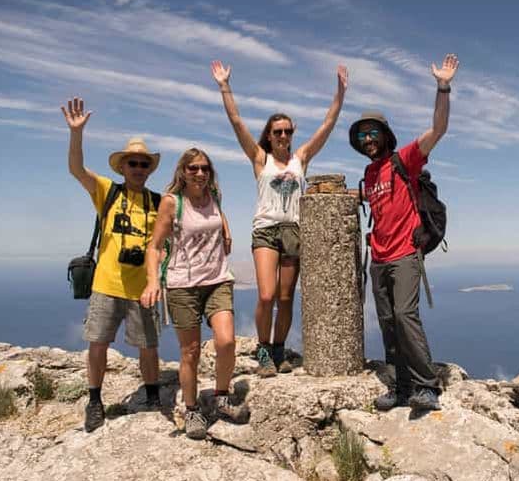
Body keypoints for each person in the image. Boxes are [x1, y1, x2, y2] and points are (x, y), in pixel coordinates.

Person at [211, 59, 348, 376]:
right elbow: (236, 122)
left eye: (287, 130)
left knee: (286, 298)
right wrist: (224, 86)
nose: (283, 135)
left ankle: (278, 349)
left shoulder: (301, 159)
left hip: (295, 231)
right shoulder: (261, 159)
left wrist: (339, 93)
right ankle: (262, 349)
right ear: (269, 136)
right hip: (266, 230)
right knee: (267, 294)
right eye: (277, 131)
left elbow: (327, 125)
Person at [350, 53, 459, 412]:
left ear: (385, 135)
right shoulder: (369, 175)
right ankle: (401, 387)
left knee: (404, 315)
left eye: (373, 133)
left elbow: (438, 130)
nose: (368, 139)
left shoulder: (405, 160)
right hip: (379, 258)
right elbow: (370, 202)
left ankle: (427, 385)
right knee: (387, 322)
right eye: (363, 134)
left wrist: (443, 87)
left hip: (404, 255)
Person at [62, 97, 162, 432]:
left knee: (149, 347)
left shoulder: (157, 202)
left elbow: (164, 245)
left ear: (149, 169)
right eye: (132, 163)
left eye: (143, 164)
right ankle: (94, 401)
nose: (137, 168)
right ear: (122, 167)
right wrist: (77, 134)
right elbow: (76, 170)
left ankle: (152, 397)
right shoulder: (107, 191)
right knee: (98, 344)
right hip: (106, 284)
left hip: (142, 289)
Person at [140, 148, 248, 440]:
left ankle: (221, 396)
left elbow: (218, 214)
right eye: (193, 169)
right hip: (182, 285)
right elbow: (155, 246)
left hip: (218, 280)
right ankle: (191, 410)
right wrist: (152, 282)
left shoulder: (214, 193)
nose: (200, 173)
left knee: (226, 341)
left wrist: (226, 231)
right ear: (182, 172)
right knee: (190, 352)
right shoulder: (172, 203)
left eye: (204, 168)